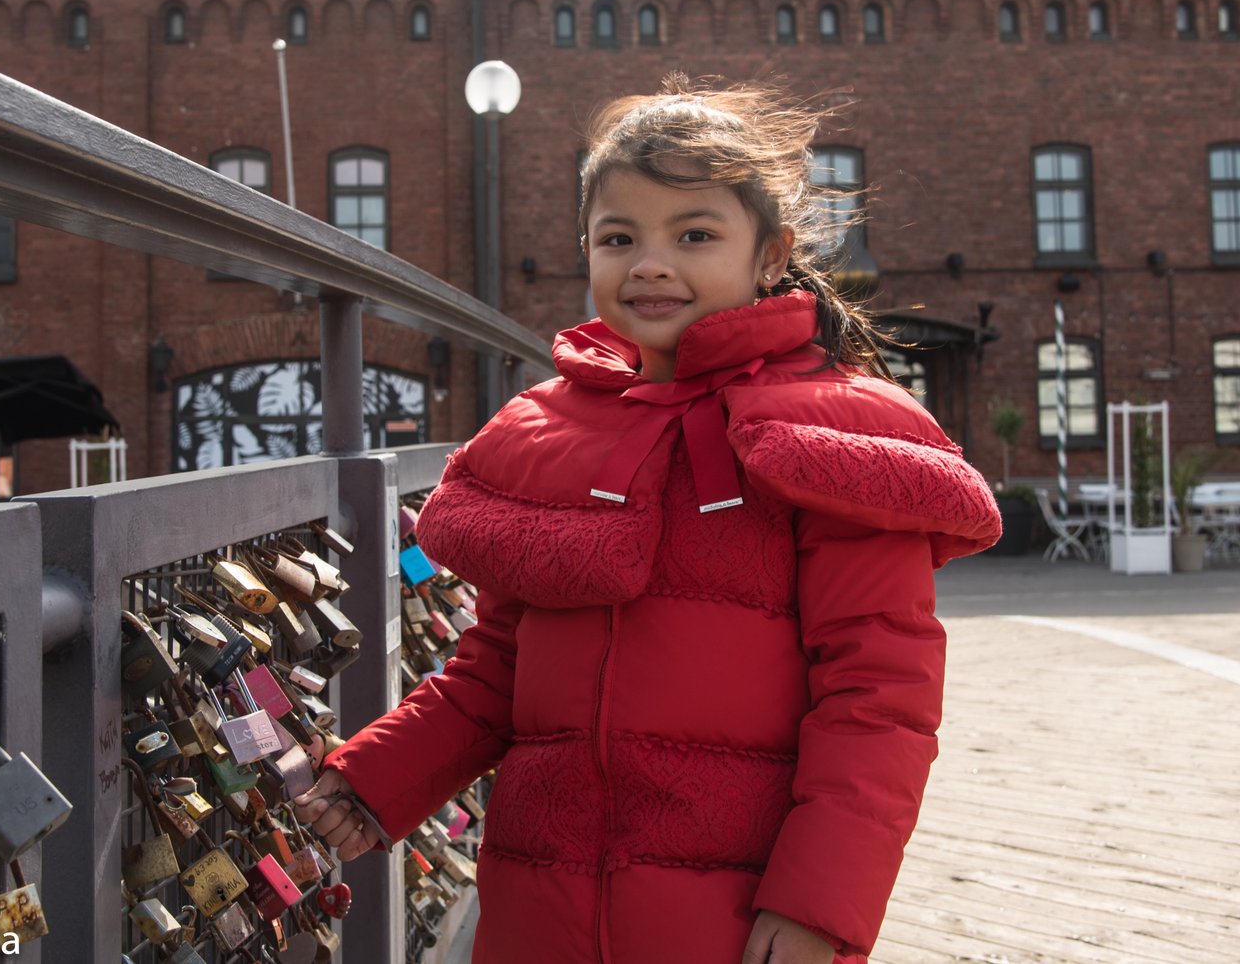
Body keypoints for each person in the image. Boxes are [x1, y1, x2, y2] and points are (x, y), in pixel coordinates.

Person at [292, 75, 1003, 964]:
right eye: (618, 237)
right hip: (537, 904)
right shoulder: (555, 432)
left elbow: (879, 703)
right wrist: (374, 782)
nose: (650, 263)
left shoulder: (831, 434)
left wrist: (820, 904)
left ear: (771, 254)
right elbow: (496, 672)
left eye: (695, 235)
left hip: (734, 918)